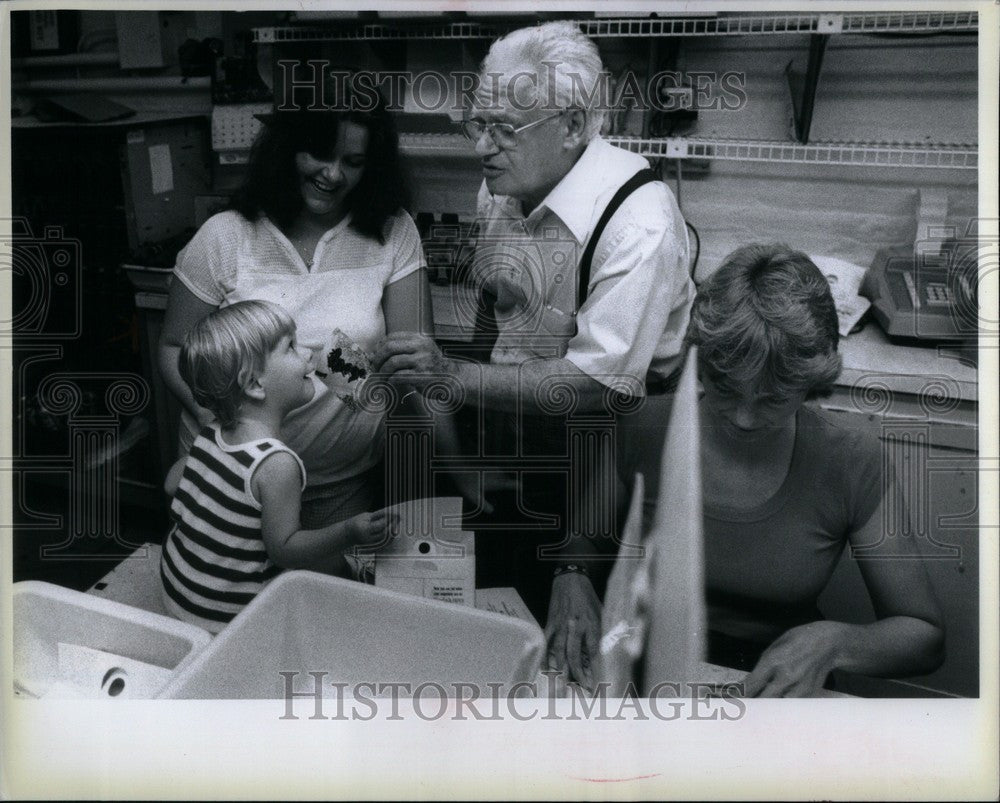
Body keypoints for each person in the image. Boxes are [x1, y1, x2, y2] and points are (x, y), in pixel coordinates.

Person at [373, 21, 694, 678]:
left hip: (603, 463)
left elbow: (598, 388)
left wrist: (453, 377)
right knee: (480, 639)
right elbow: (499, 305)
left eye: (504, 129)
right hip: (514, 437)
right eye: (476, 124)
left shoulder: (641, 222)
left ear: (572, 125)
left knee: (579, 662)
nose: (482, 149)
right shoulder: (501, 188)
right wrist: (472, 455)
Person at [620, 243, 945, 696]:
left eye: (773, 398)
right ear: (700, 364)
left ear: (810, 384)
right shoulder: (640, 427)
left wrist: (836, 642)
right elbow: (580, 550)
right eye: (724, 389)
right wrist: (570, 578)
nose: (743, 418)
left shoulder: (851, 458)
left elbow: (925, 638)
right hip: (644, 666)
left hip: (775, 683)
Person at [158, 77, 446, 530]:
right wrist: (227, 422)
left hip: (341, 483)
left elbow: (407, 370)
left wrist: (459, 468)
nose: (333, 175)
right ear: (287, 149)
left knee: (321, 597)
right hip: (234, 476)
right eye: (319, 154)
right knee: (222, 593)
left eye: (353, 162)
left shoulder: (394, 231)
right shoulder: (225, 235)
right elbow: (174, 346)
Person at [160, 301, 396, 633]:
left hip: (177, 592)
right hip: (227, 622)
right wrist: (349, 531)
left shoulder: (213, 431)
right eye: (291, 346)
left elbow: (172, 483)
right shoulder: (276, 464)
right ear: (255, 384)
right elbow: (286, 551)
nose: (310, 355)